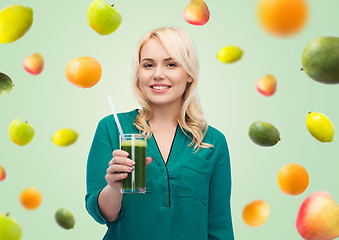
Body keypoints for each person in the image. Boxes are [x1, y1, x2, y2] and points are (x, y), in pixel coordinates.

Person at [85, 26, 234, 240]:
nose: (157, 74)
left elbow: (219, 227)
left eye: (171, 64)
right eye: (148, 65)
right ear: (139, 75)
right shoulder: (112, 128)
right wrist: (114, 186)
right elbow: (101, 214)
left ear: (189, 74)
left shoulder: (212, 141)